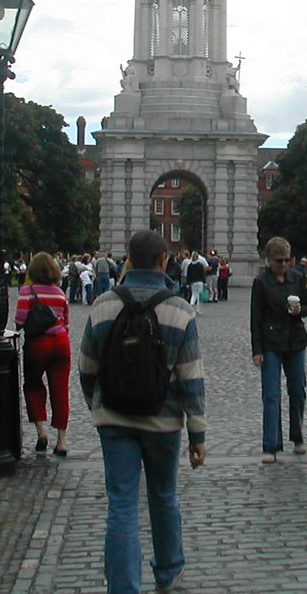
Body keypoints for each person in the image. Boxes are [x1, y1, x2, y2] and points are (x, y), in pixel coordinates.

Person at [78, 230, 206, 593]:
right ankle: (167, 570)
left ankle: (123, 587)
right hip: (163, 423)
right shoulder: (181, 309)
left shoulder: (104, 304)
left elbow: (87, 366)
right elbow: (191, 378)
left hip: (114, 420)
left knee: (120, 505)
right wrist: (198, 434)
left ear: (128, 261)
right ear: (165, 260)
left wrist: (98, 405)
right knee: (164, 496)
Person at [250, 236, 307, 463]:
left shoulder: (297, 277)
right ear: (269, 260)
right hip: (270, 342)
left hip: (295, 340)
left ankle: (298, 436)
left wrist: (300, 311)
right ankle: (271, 445)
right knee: (271, 396)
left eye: (286, 260)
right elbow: (255, 318)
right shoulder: (261, 282)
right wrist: (257, 350)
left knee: (298, 391)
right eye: (278, 261)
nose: (283, 264)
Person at [15, 252, 70, 456]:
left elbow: (20, 320)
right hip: (61, 342)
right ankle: (62, 440)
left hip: (39, 343)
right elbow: (66, 322)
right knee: (60, 389)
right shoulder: (59, 292)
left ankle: (41, 433)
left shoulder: (28, 291)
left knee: (33, 385)